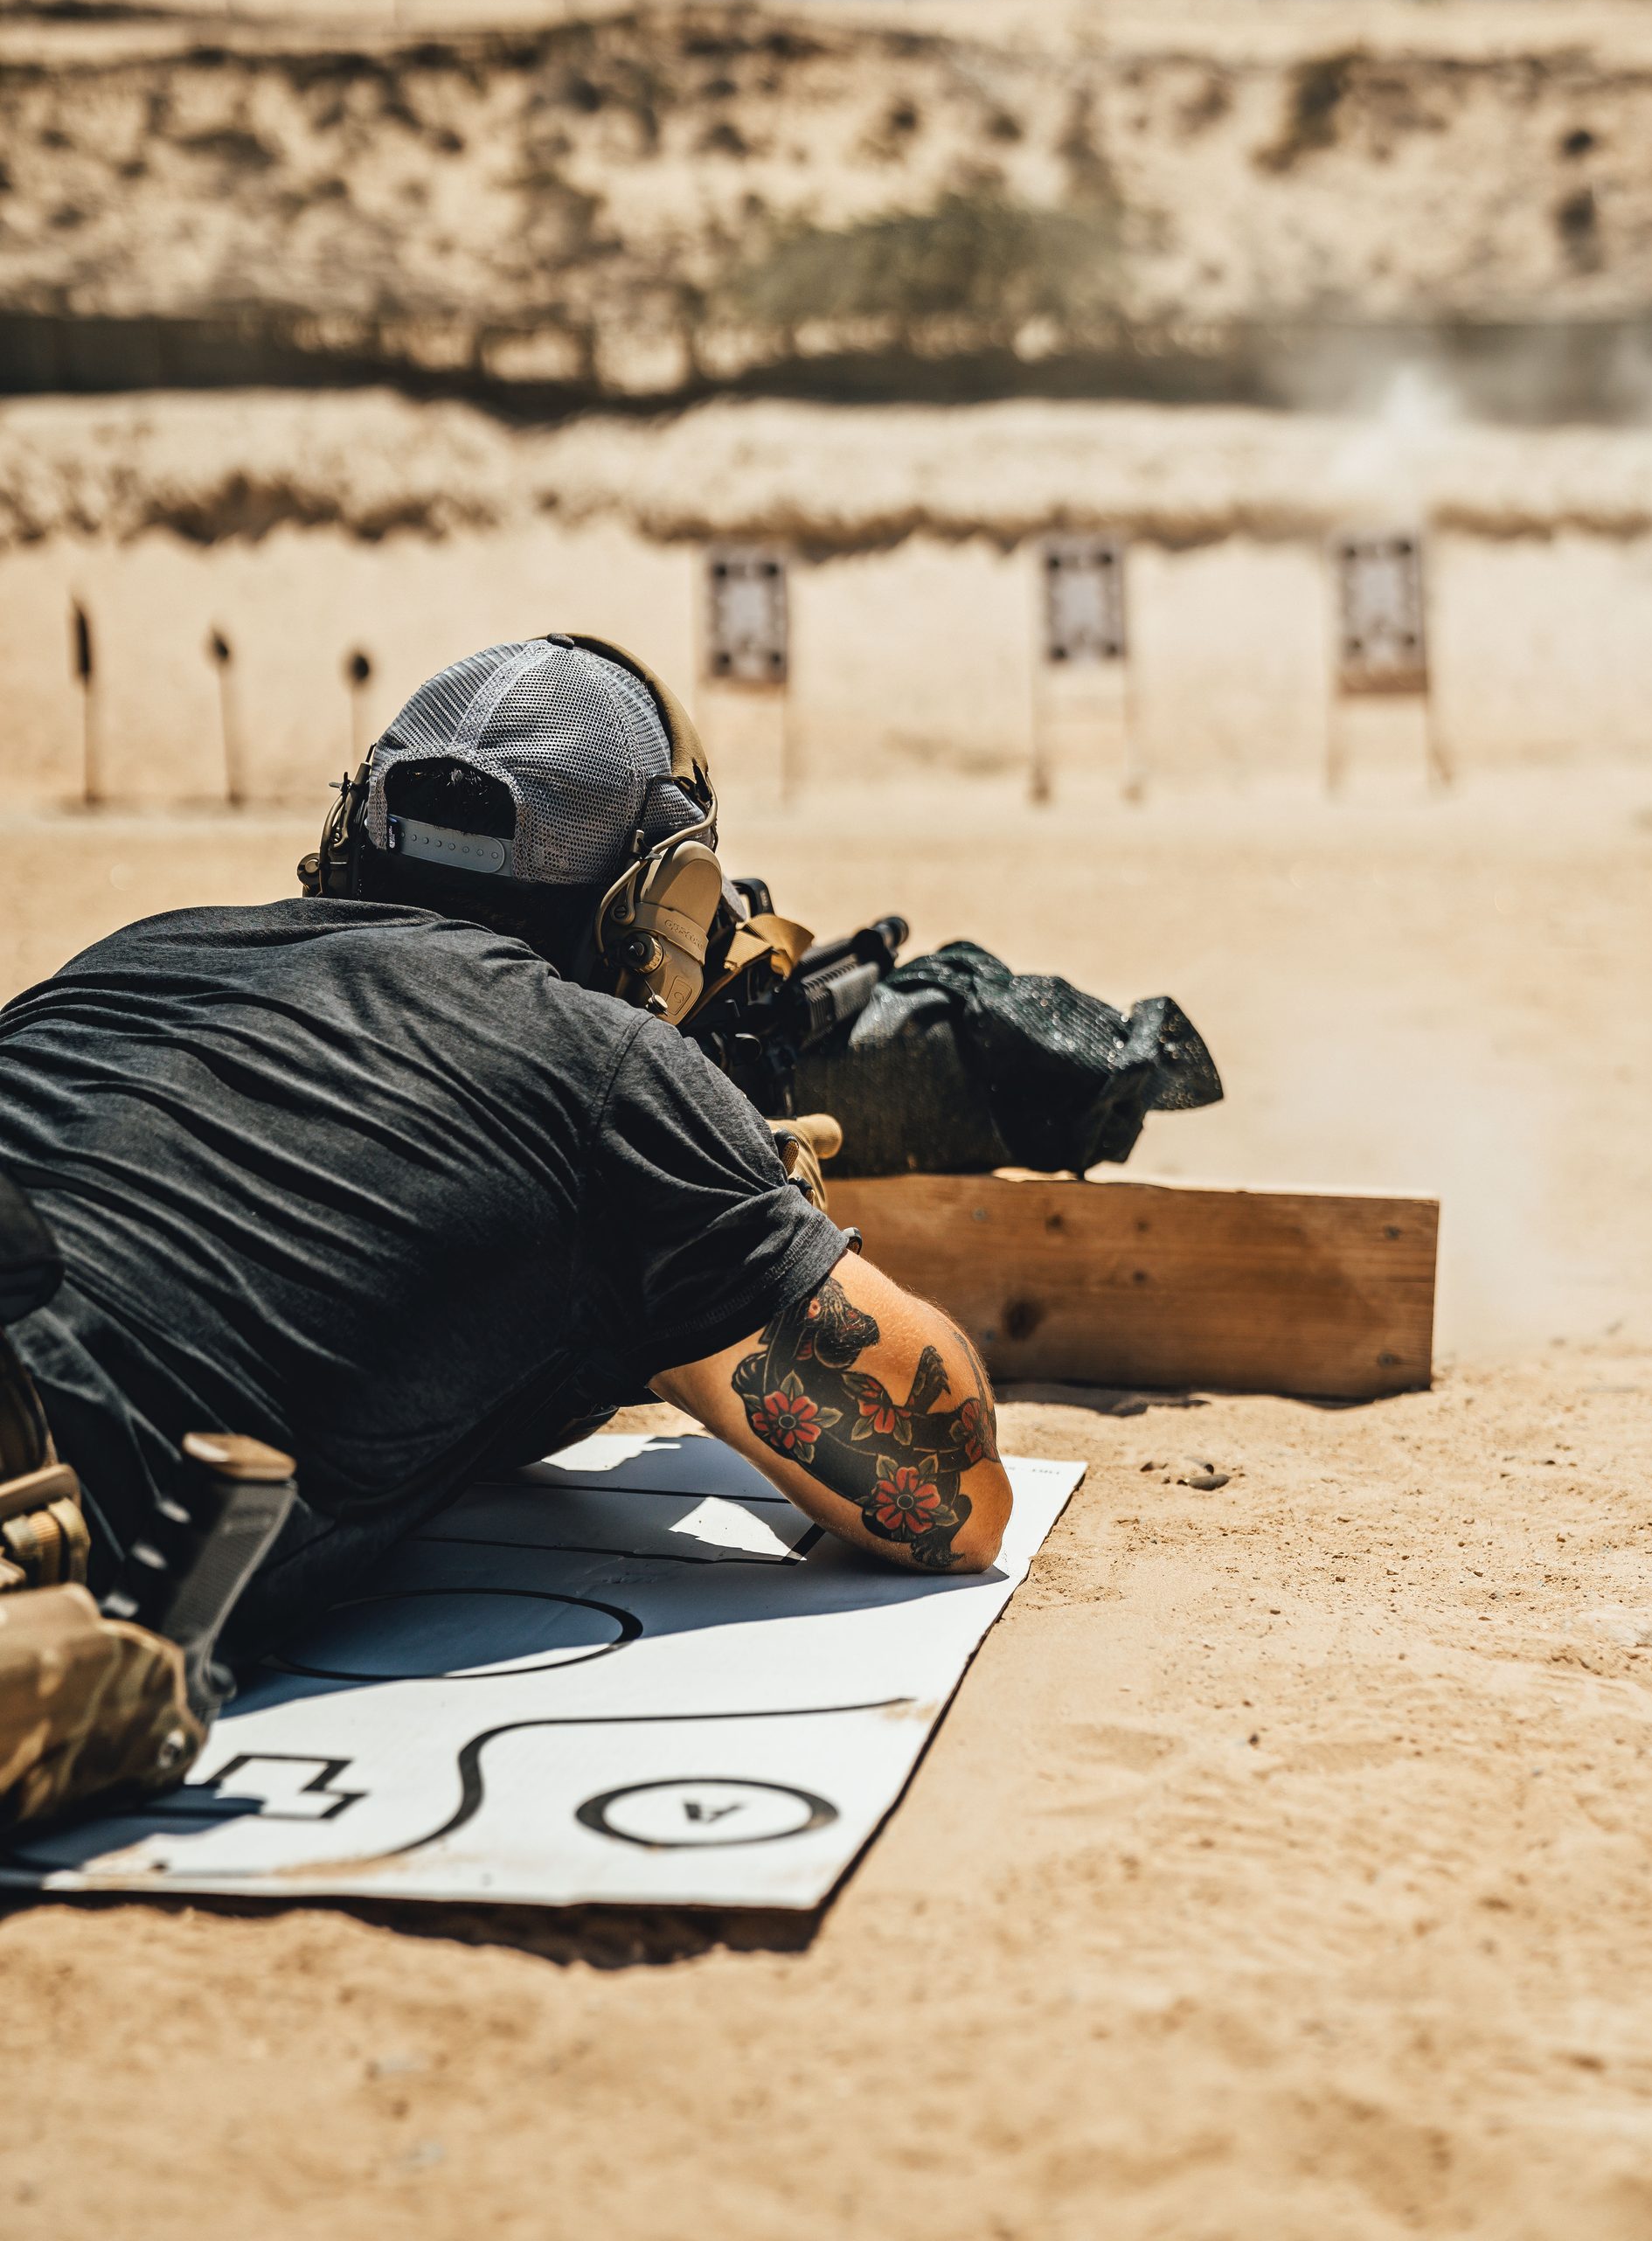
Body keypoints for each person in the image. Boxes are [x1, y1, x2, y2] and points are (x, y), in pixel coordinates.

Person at [0, 635, 1012, 1702]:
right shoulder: (605, 1070)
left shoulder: (137, 951)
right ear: (669, 898)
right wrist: (724, 1217)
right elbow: (953, 1501)